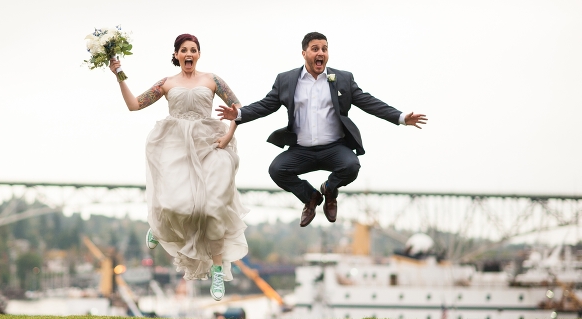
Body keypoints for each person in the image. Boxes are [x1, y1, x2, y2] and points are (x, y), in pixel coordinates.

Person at [216, 32, 427, 227]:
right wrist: (240, 115)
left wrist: (400, 117)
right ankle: (311, 198)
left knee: (352, 166)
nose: (321, 53)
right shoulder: (286, 80)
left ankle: (329, 190)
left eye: (324, 49)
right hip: (302, 150)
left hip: (334, 148)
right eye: (315, 48)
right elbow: (266, 104)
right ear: (304, 53)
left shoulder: (342, 79)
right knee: (277, 170)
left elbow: (367, 101)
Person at [110, 33, 248, 301]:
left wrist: (229, 134)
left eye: (193, 50)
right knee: (175, 205)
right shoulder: (166, 83)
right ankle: (159, 224)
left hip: (210, 145)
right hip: (175, 146)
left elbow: (239, 108)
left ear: (198, 55)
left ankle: (217, 271)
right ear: (176, 55)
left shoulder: (213, 80)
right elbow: (134, 105)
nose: (188, 54)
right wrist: (119, 74)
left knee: (212, 209)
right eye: (183, 50)